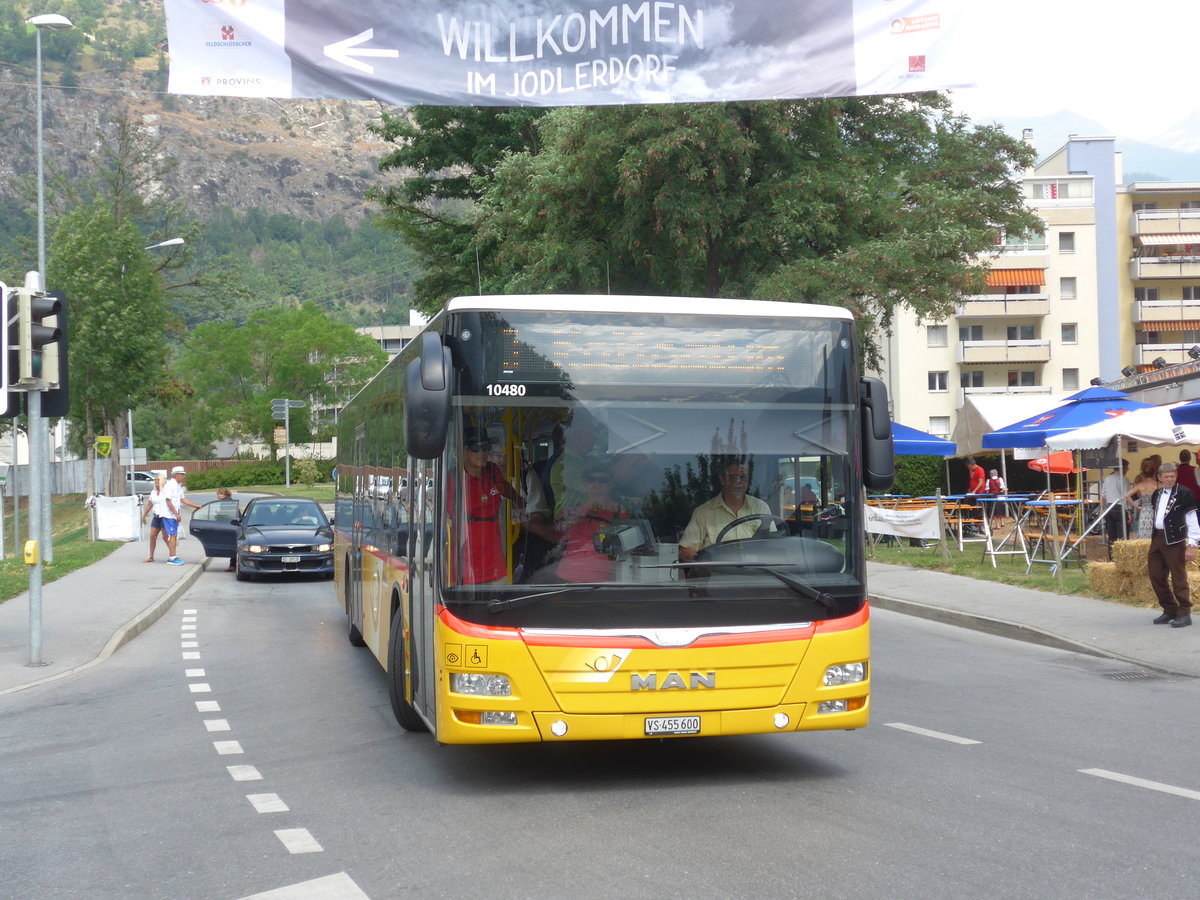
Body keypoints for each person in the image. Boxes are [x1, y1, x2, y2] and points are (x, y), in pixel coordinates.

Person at [455, 427, 521, 584]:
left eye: (486, 448)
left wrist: (522, 504)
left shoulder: (492, 471)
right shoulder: (454, 480)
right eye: (476, 448)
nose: (482, 453)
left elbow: (505, 489)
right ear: (463, 451)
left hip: (496, 561)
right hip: (467, 563)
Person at [678, 459, 773, 562]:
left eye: (743, 478)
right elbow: (686, 551)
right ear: (722, 480)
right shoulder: (703, 513)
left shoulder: (761, 508)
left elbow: (773, 544)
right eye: (734, 478)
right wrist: (703, 564)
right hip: (717, 575)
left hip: (759, 574)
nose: (739, 482)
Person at [555, 459, 630, 582]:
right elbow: (555, 535)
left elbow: (626, 547)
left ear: (611, 484)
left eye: (603, 480)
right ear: (585, 483)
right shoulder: (572, 510)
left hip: (602, 581)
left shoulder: (620, 513)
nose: (596, 483)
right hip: (566, 578)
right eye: (591, 479)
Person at [1145, 462, 1200, 628]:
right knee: (1155, 575)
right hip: (1158, 539)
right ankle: (1170, 609)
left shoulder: (1184, 493)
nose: (1170, 479)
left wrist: (1192, 544)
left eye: (1173, 476)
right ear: (1160, 478)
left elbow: (1192, 519)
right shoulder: (1157, 493)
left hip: (1175, 540)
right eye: (1167, 477)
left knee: (1178, 577)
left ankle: (1184, 612)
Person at [161, 466, 203, 565]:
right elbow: (168, 500)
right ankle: (172, 557)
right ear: (176, 475)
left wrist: (194, 505)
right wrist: (176, 514)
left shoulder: (178, 486)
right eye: (182, 474)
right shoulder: (170, 485)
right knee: (172, 535)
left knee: (174, 535)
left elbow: (182, 499)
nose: (184, 476)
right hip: (169, 515)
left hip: (174, 514)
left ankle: (173, 555)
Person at [1126, 456, 1161, 540]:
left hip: (1144, 512)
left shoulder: (1140, 485)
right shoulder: (1159, 485)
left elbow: (1127, 496)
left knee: (1144, 537)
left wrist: (1136, 506)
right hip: (1156, 512)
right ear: (1154, 472)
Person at [1101, 459, 1131, 542]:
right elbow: (1126, 497)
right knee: (1122, 535)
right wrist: (1129, 511)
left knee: (1111, 535)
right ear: (1123, 468)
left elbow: (1103, 495)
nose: (1127, 470)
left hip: (1109, 507)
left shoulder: (1107, 478)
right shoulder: (1124, 479)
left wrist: (1102, 508)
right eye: (1127, 467)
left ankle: (1111, 553)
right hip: (1120, 507)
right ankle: (1121, 553)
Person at [140, 474, 169, 562]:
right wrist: (143, 515)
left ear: (163, 481)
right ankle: (151, 556)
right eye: (155, 480)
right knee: (152, 536)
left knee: (165, 536)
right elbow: (149, 504)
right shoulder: (153, 492)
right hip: (156, 517)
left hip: (164, 516)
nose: (156, 481)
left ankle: (173, 554)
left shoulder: (166, 491)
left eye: (158, 480)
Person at [214, 487, 239, 572]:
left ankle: (232, 565)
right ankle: (233, 565)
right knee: (234, 545)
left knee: (232, 545)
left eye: (219, 494)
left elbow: (224, 515)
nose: (218, 496)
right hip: (236, 525)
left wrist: (218, 512)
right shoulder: (230, 500)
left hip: (231, 526)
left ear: (224, 494)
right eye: (217, 494)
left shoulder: (225, 502)